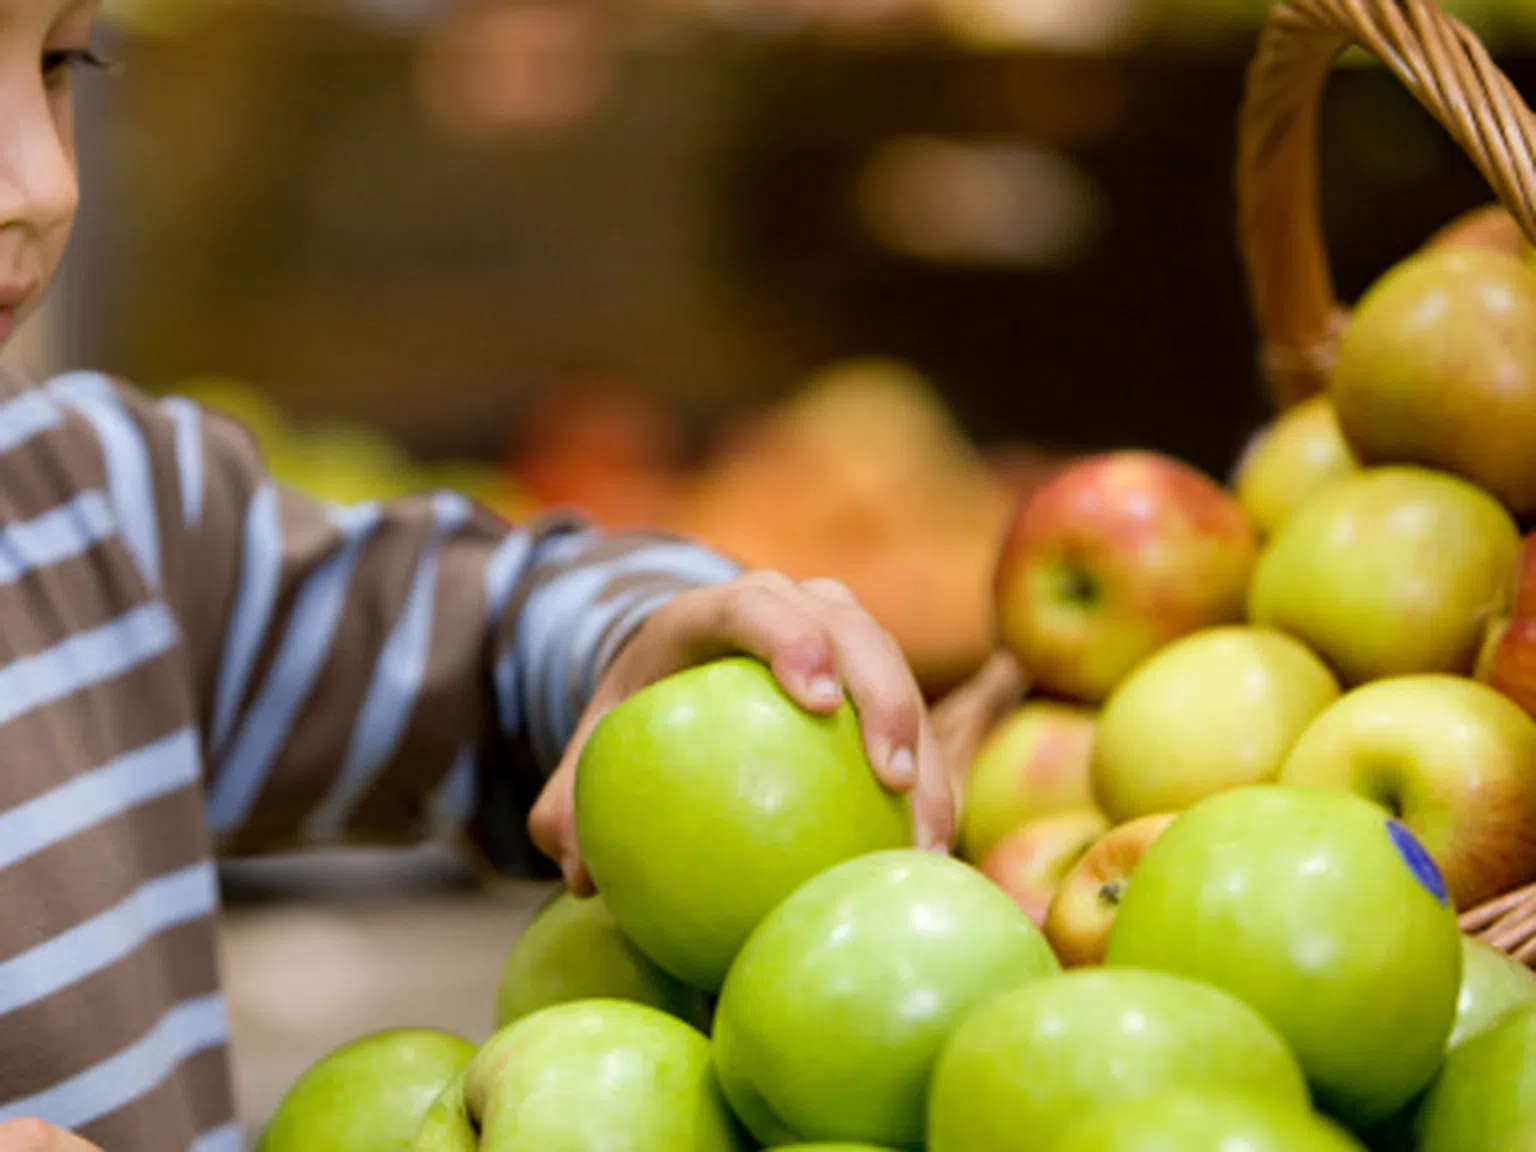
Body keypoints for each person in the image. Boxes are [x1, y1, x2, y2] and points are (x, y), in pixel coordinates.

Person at [0, 0, 983, 1145]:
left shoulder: (98, 500)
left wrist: (646, 642)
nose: (44, 181)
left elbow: (473, 624)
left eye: (63, 62)